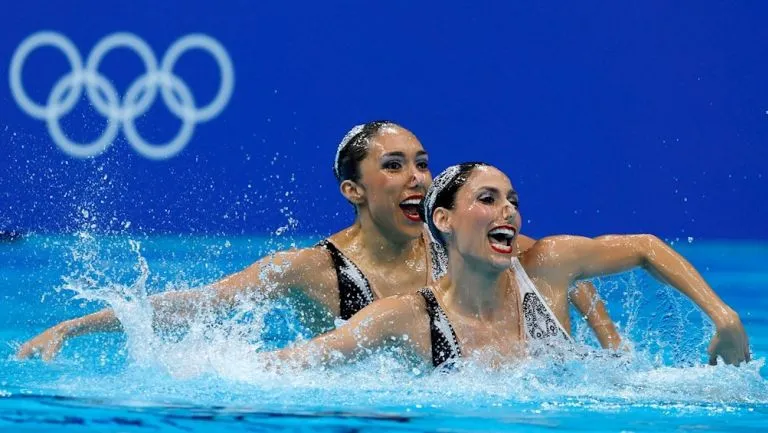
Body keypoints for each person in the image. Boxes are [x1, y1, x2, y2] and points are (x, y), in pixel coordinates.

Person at [16, 123, 618, 361]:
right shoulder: (314, 269)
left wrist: (610, 351)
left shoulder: (456, 237)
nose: (417, 179)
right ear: (354, 191)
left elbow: (545, 270)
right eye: (394, 167)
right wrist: (71, 328)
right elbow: (203, 304)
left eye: (422, 164)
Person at [268, 163, 750, 370]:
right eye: (488, 199)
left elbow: (644, 246)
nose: (509, 211)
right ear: (444, 220)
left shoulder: (545, 266)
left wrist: (723, 316)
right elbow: (289, 367)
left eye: (512, 200)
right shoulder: (408, 316)